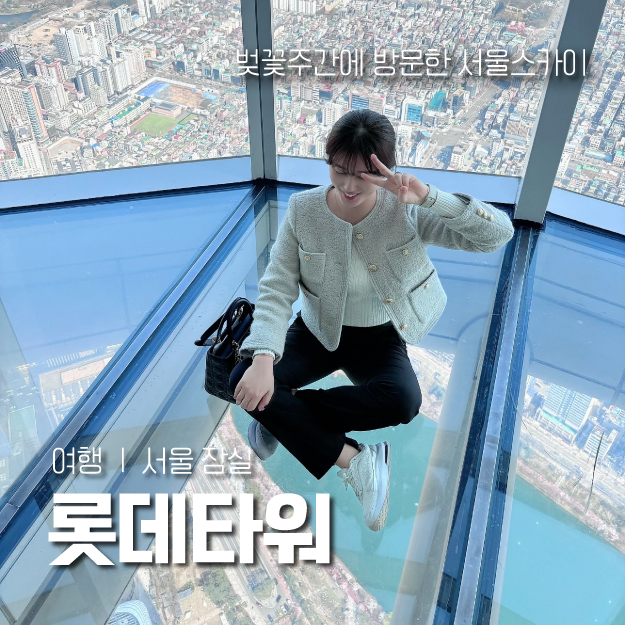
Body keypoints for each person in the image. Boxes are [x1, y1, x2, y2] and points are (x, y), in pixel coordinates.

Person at [229, 109, 514, 532]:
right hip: (317, 330)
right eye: (339, 171)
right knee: (243, 374)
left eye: (363, 175)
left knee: (404, 401)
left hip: (380, 334)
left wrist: (430, 197)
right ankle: (356, 459)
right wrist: (264, 358)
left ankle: (283, 418)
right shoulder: (304, 210)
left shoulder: (407, 209)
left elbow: (497, 235)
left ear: (386, 169)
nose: (348, 185)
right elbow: (276, 288)